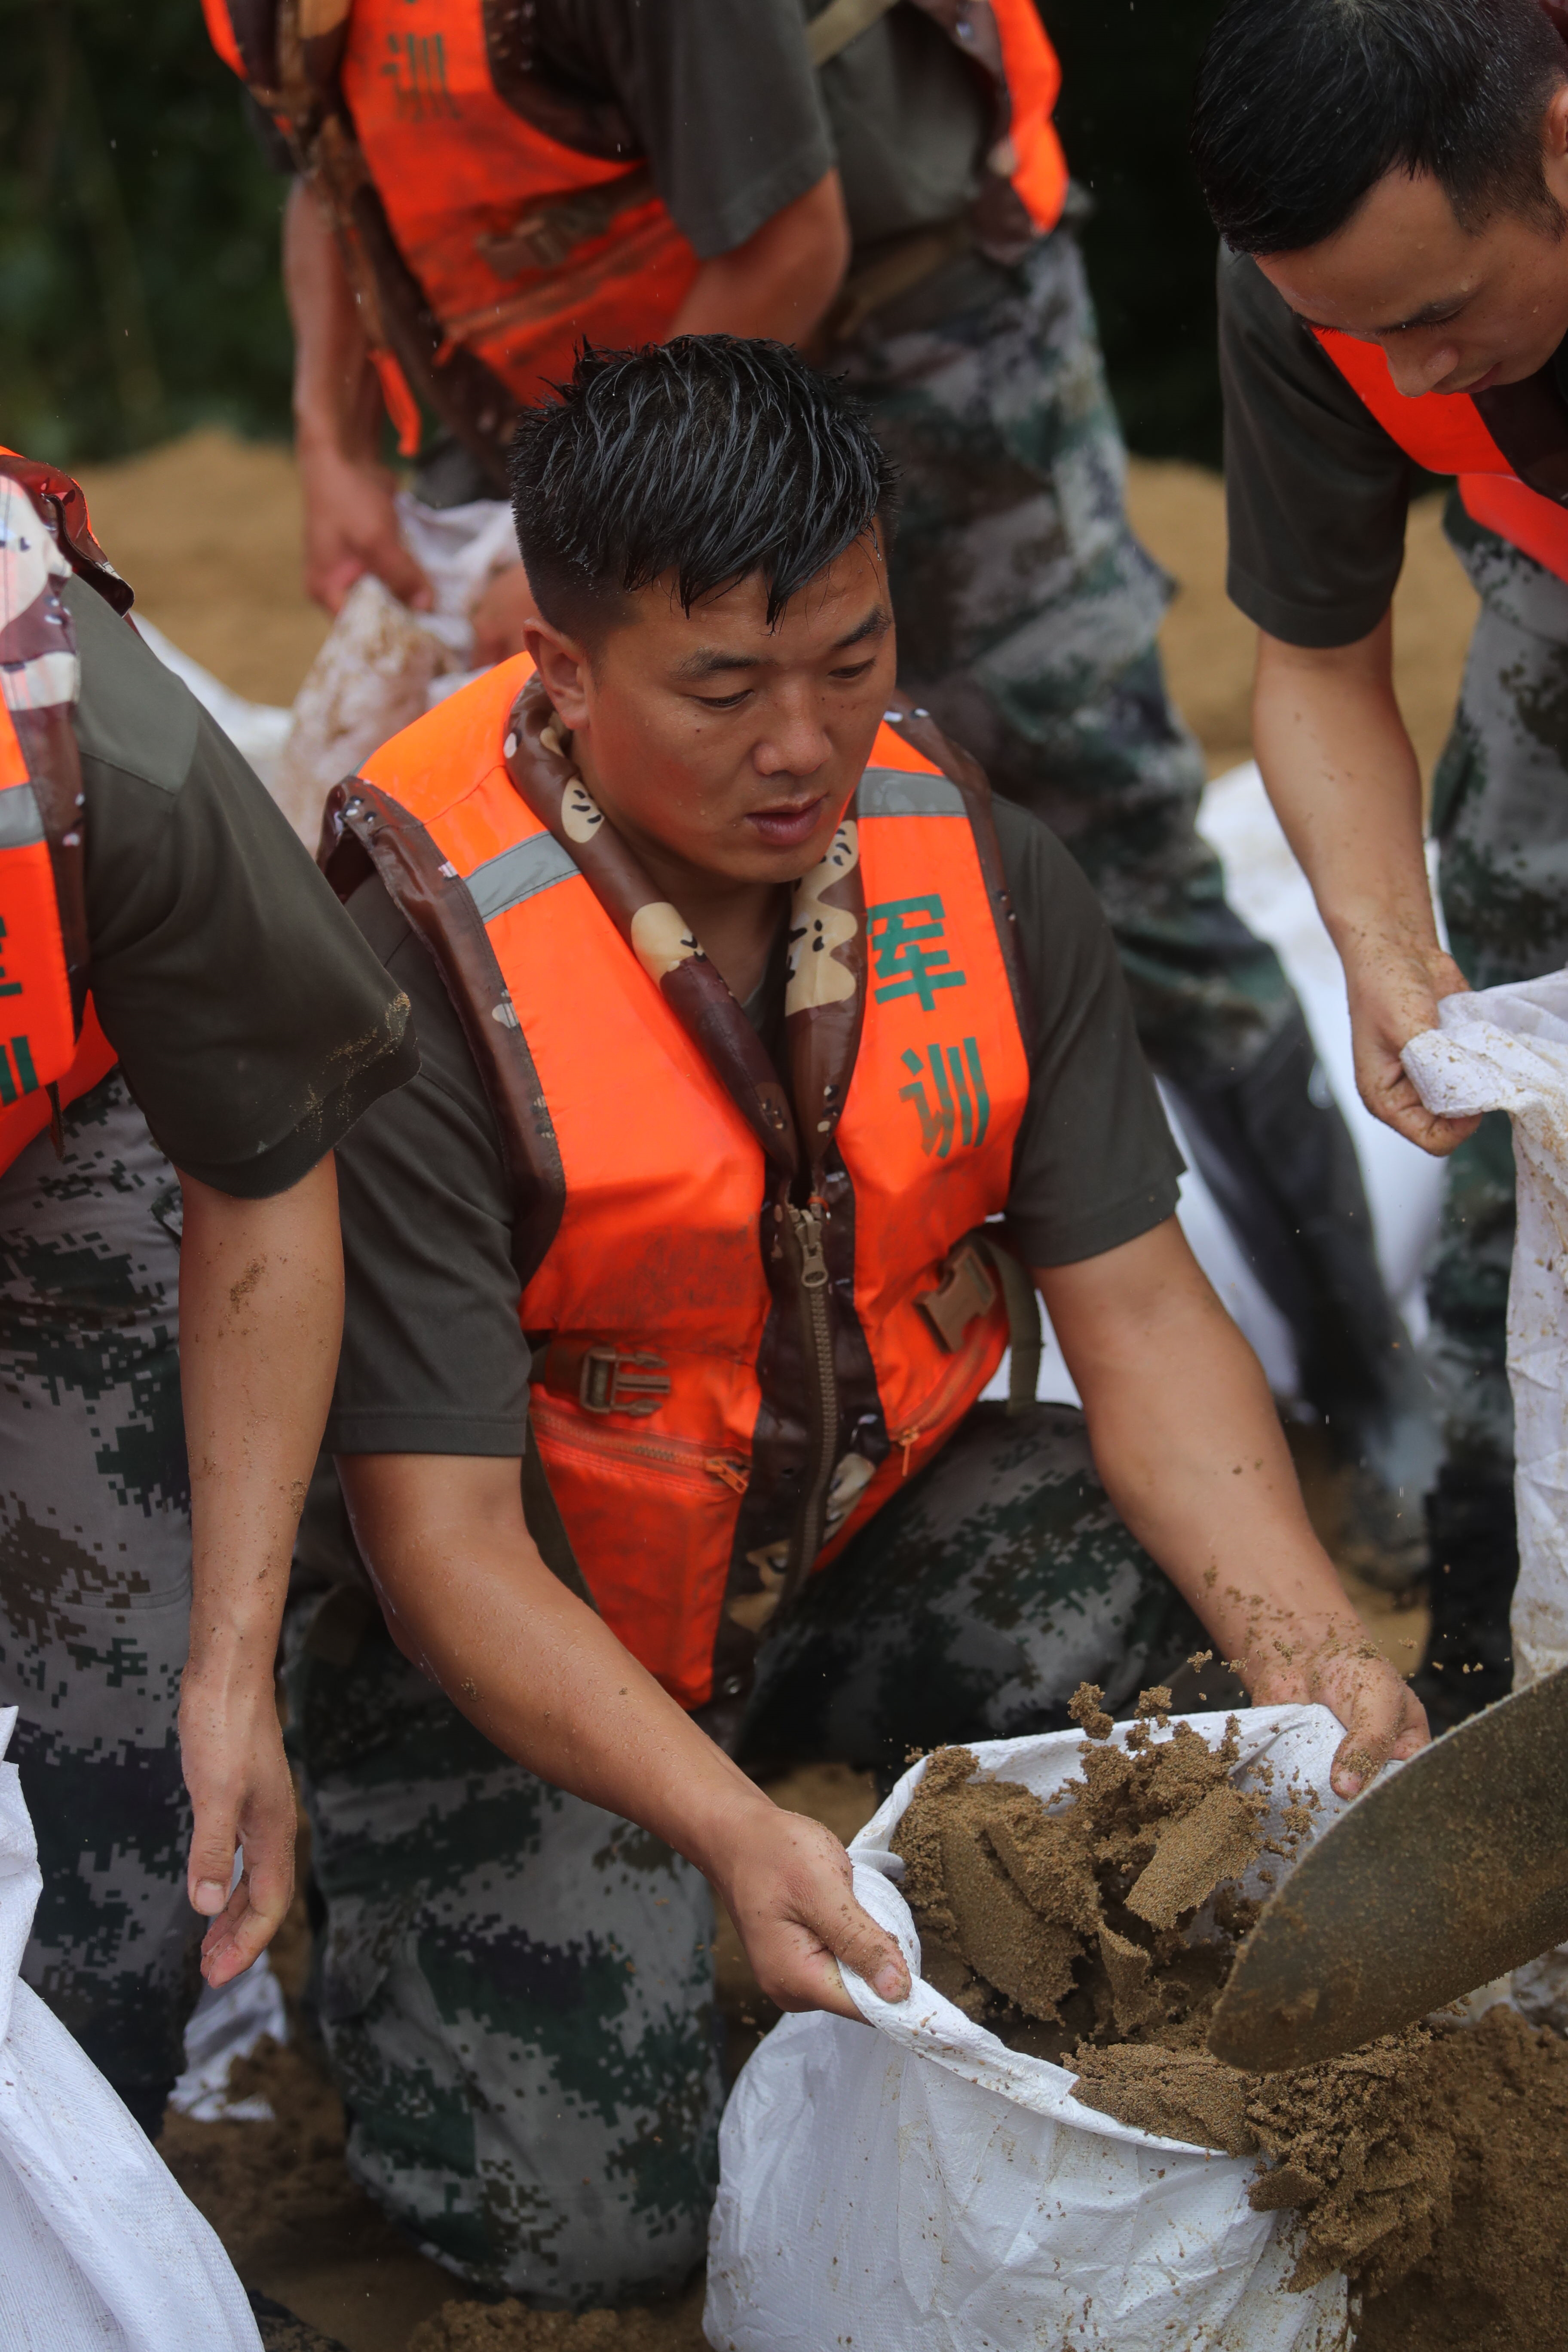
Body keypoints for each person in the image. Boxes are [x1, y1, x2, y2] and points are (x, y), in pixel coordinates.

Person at [279, 337, 1427, 2308]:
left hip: (841, 1532)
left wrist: (1316, 1660)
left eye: (850, 658)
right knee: (597, 2227)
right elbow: (440, 1550)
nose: (803, 743)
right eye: (723, 689)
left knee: (1167, 1651)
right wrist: (734, 1839)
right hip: (529, 1629)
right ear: (561, 668)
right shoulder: (409, 967)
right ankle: (400, 1952)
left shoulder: (978, 870)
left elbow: (1144, 1324)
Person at [201, 0, 1428, 1568]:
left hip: (906, 333)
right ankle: (642, 1461)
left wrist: (634, 546)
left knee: (1106, 868)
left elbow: (787, 235)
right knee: (539, 902)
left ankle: (1364, 1392)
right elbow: (326, 152)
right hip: (574, 405)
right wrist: (335, 431)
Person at [0, 451, 416, 2132]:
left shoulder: (98, 747)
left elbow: (262, 1182)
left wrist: (222, 1671)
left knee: (133, 1829)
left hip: (53, 1131)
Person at [1188, 0, 1568, 1723]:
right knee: (1526, 1113)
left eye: (1440, 314)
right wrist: (1384, 945)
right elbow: (1319, 656)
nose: (1407, 375)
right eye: (1358, 330)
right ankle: (1503, 1659)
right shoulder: (1321, 282)